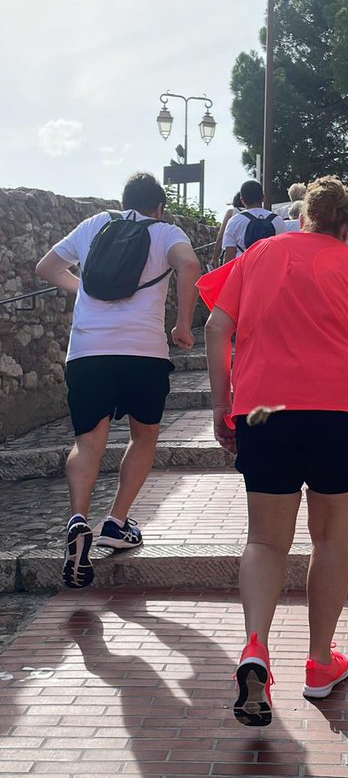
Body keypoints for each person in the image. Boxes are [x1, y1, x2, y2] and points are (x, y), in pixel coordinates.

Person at [199, 175, 348, 727]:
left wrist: (222, 404)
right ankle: (320, 665)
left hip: (264, 409)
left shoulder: (258, 255)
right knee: (330, 541)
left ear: (303, 218)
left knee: (265, 541)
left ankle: (255, 647)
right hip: (340, 411)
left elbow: (215, 328)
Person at [35, 172, 201, 589]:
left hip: (88, 351)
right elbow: (190, 264)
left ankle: (78, 519)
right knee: (143, 436)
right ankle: (117, 521)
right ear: (159, 207)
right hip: (143, 351)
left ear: (123, 200)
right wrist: (183, 325)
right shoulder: (165, 231)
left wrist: (83, 291)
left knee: (88, 441)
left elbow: (46, 267)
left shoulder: (97, 224)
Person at [220, 180, 286, 262]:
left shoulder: (234, 221)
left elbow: (229, 254)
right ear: (263, 198)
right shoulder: (277, 220)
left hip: (244, 270)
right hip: (271, 270)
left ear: (242, 200)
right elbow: (283, 251)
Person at [213, 192, 242, 265]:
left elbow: (221, 235)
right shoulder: (258, 214)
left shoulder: (232, 212)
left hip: (235, 256)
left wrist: (215, 258)